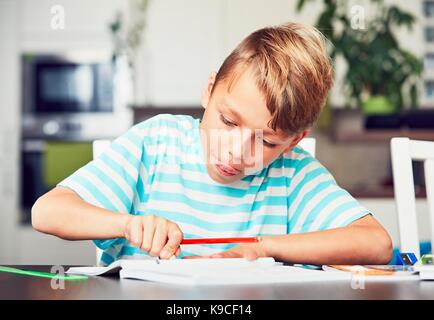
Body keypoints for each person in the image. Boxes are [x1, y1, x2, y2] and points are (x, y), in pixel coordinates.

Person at [32, 22, 393, 266]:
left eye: (265, 140)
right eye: (228, 121)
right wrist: (126, 225)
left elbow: (376, 243)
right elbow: (47, 212)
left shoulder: (293, 172)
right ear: (209, 91)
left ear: (293, 142)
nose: (236, 150)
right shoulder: (156, 143)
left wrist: (262, 247)